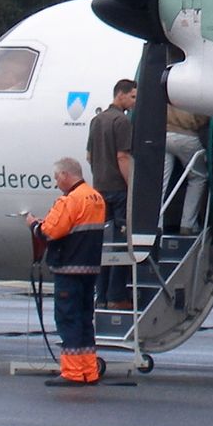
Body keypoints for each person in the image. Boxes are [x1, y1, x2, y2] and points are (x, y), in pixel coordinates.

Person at [27, 157, 110, 386]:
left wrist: (33, 224)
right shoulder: (96, 198)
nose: (56, 183)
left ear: (65, 174)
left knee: (67, 318)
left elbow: (50, 232)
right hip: (90, 269)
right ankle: (88, 371)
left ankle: (73, 373)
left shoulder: (70, 201)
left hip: (69, 269)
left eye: (56, 178)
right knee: (84, 320)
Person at [86, 79, 136, 308]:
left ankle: (101, 295)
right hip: (118, 190)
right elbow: (122, 157)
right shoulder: (122, 121)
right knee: (121, 245)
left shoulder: (97, 120)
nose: (135, 102)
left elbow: (89, 156)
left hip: (99, 189)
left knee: (103, 245)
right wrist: (132, 186)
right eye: (133, 97)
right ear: (121, 95)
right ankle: (116, 296)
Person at [163, 103, 208, 234]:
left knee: (162, 181)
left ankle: (156, 224)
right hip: (187, 136)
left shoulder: (168, 87)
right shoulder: (194, 90)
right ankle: (188, 224)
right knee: (198, 177)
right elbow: (203, 118)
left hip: (164, 135)